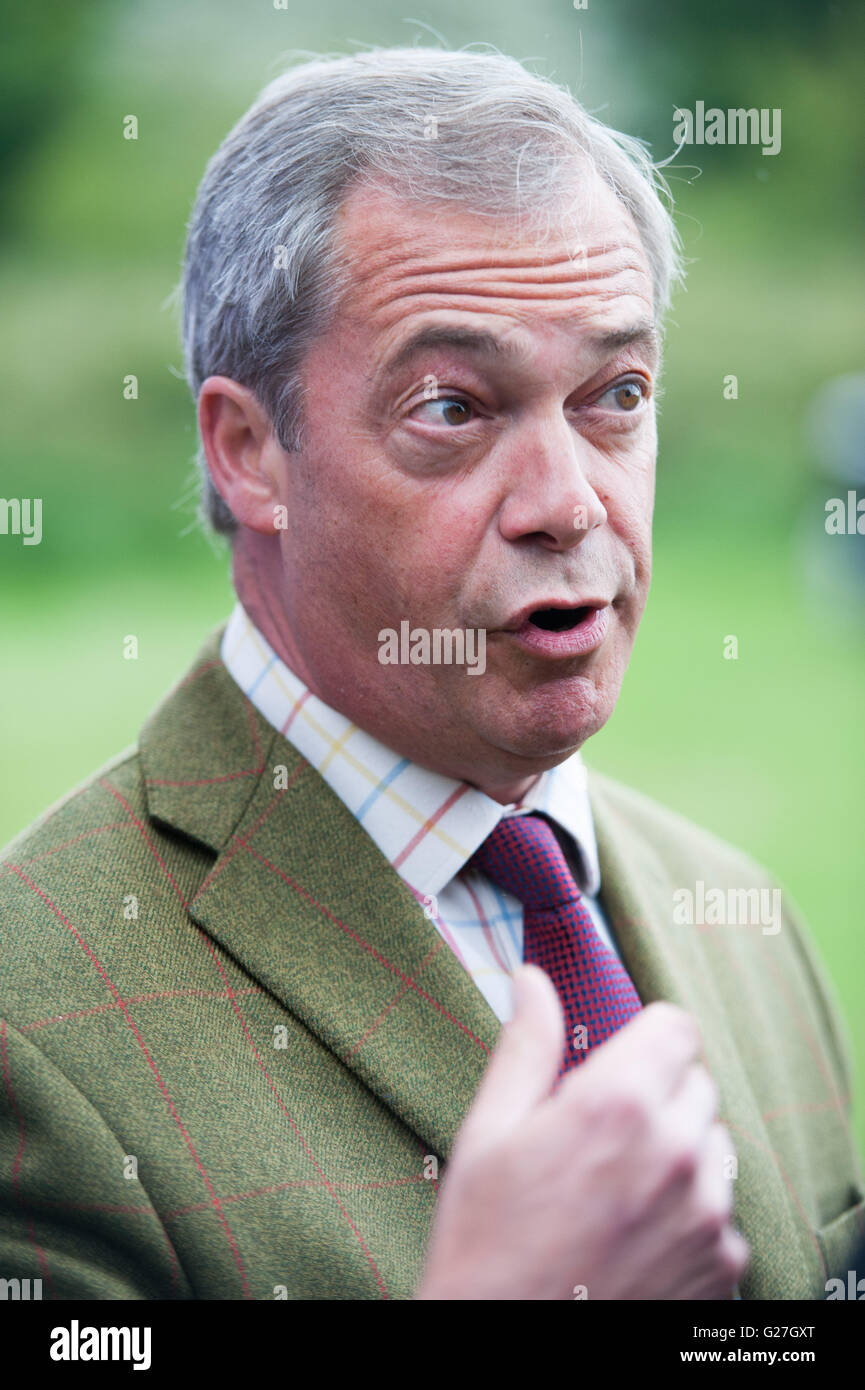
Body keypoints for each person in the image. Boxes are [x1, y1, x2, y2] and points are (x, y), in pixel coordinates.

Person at [1, 46, 862, 1302]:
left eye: (615, 393)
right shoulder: (30, 1018)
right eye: (455, 409)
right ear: (250, 453)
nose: (570, 503)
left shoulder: (741, 914)